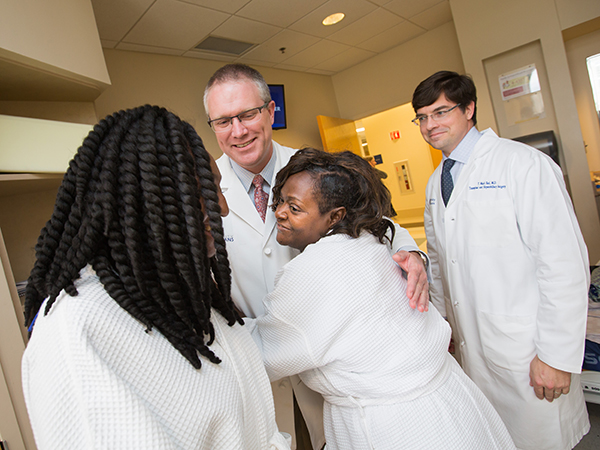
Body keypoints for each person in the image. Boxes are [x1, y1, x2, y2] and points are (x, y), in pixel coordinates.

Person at [21, 105, 291, 450]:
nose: (222, 207)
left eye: (219, 189)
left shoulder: (190, 296)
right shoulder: (77, 330)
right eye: (206, 191)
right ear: (147, 201)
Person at [203, 63, 429, 449]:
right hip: (258, 367)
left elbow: (378, 223)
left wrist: (411, 253)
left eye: (247, 114)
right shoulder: (205, 185)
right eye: (223, 121)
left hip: (332, 370)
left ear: (271, 111)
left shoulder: (315, 169)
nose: (237, 131)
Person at [248, 148, 516, 450]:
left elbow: (263, 353)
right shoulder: (368, 236)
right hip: (452, 403)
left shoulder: (311, 271)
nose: (279, 212)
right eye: (280, 200)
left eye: (294, 208)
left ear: (336, 216)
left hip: (394, 427)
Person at [412, 71, 590, 449]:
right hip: (475, 350)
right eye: (422, 117)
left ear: (469, 108)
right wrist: (441, 325)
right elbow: (442, 266)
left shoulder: (522, 165)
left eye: (441, 112)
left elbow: (563, 264)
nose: (430, 125)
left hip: (528, 350)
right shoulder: (435, 182)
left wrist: (556, 356)